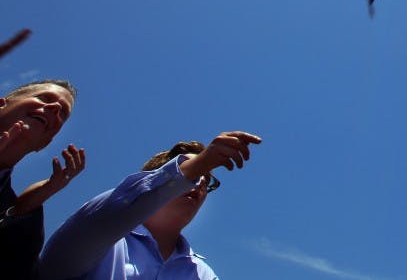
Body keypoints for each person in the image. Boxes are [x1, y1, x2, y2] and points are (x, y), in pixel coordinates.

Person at [39, 130, 261, 280]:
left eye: (206, 178)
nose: (200, 181)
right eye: (195, 173)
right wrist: (193, 167)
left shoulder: (202, 273)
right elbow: (114, 208)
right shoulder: (104, 232)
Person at [0, 76, 84, 280]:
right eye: (44, 98)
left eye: (63, 114)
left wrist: (24, 210)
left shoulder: (21, 222)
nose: (55, 108)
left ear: (45, 143)